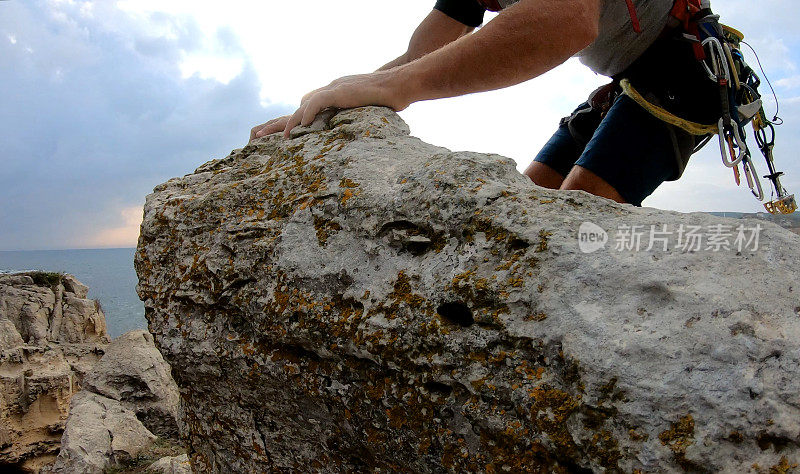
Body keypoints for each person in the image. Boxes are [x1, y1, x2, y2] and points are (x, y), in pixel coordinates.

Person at [249, 0, 719, 207]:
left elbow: (570, 18)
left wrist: (401, 87)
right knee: (531, 205)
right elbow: (414, 61)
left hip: (686, 65)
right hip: (625, 81)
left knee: (580, 204)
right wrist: (324, 105)